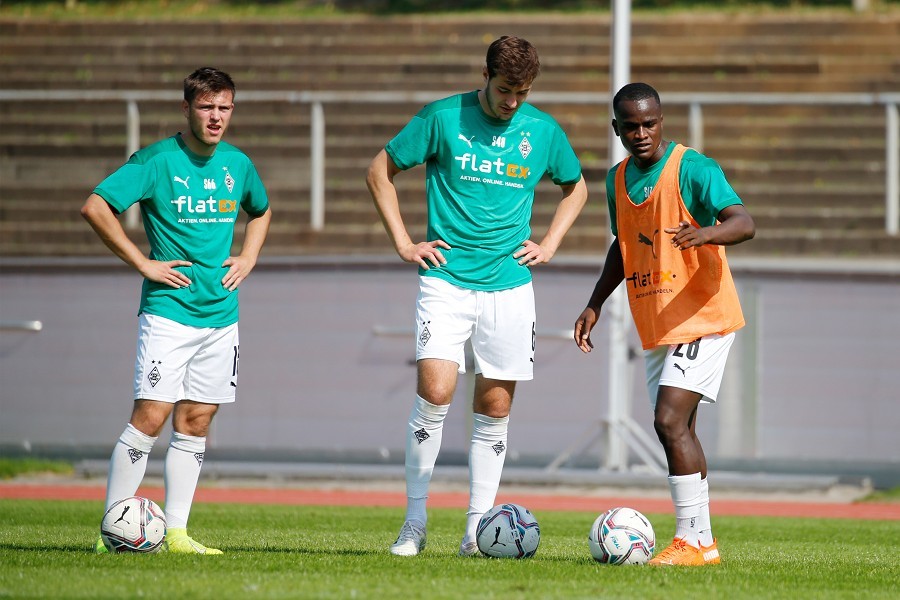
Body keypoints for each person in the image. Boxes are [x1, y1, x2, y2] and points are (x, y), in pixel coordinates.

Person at [367, 35, 588, 557]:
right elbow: (380, 170)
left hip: (509, 286)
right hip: (445, 278)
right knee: (436, 393)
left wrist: (551, 243)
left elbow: (575, 187)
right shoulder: (442, 118)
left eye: (524, 92)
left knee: (494, 406)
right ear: (485, 76)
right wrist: (403, 242)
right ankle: (414, 523)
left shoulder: (542, 131)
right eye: (506, 89)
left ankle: (475, 531)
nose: (513, 102)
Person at [81, 67, 272, 555]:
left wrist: (248, 257)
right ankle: (111, 532)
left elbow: (262, 210)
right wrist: (143, 262)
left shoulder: (238, 163)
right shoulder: (156, 160)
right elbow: (96, 207)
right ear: (186, 108)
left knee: (196, 420)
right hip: (169, 311)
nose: (216, 117)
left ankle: (180, 533)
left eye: (224, 107)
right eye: (207, 107)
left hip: (221, 315)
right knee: (151, 414)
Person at [574, 82, 755, 566]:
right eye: (630, 126)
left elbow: (744, 221)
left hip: (704, 316)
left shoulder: (693, 168)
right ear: (616, 128)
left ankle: (692, 541)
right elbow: (624, 246)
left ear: (662, 121)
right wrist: (595, 303)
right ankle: (702, 543)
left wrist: (706, 233)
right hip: (659, 322)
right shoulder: (616, 181)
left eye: (649, 123)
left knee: (668, 420)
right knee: (680, 429)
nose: (641, 133)